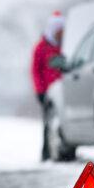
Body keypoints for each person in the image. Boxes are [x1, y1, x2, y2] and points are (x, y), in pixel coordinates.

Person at [31, 11, 65, 161]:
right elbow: (35, 71)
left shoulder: (64, 46)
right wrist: (40, 91)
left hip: (63, 91)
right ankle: (46, 154)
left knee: (62, 121)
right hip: (47, 92)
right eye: (59, 31)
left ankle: (63, 151)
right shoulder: (41, 47)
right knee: (48, 123)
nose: (61, 34)